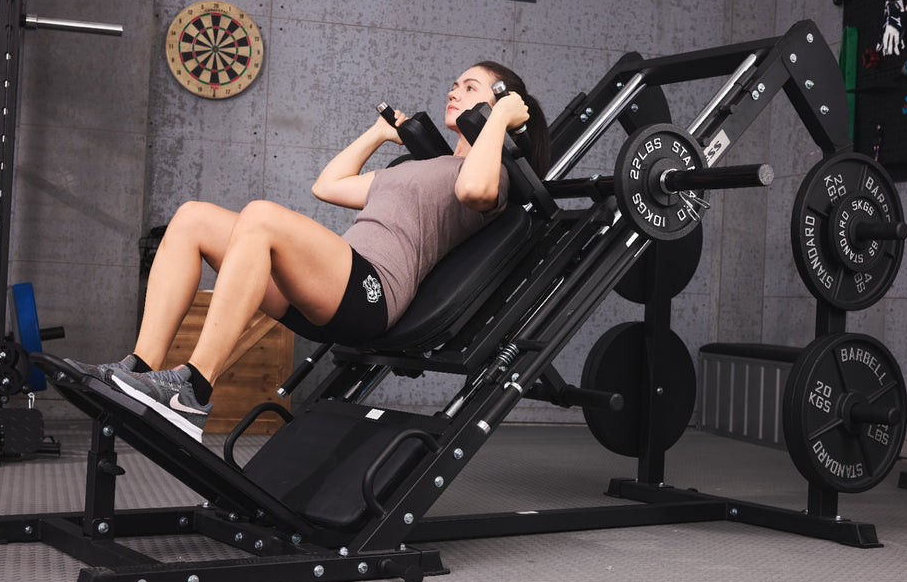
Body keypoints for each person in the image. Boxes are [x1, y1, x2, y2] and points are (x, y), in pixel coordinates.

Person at [75, 61, 550, 442]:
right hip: (328, 287)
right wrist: (378, 134)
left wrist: (504, 121)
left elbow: (473, 190)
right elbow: (328, 185)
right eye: (453, 84)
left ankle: (193, 391)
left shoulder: (494, 178)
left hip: (372, 292)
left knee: (261, 216)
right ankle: (138, 371)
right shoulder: (426, 166)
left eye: (469, 87)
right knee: (193, 218)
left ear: (501, 101)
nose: (452, 92)